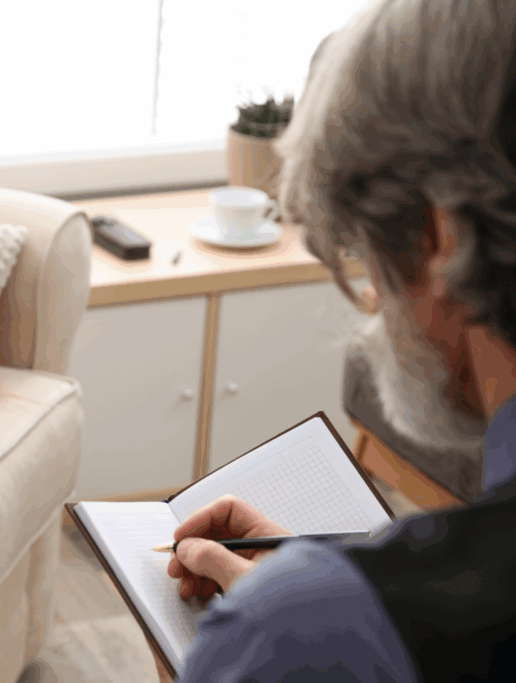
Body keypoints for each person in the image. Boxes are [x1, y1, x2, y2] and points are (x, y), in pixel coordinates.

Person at [151, 0, 516, 680]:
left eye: (366, 259)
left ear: (442, 238)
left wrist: (275, 630)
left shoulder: (296, 635)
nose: (374, 303)